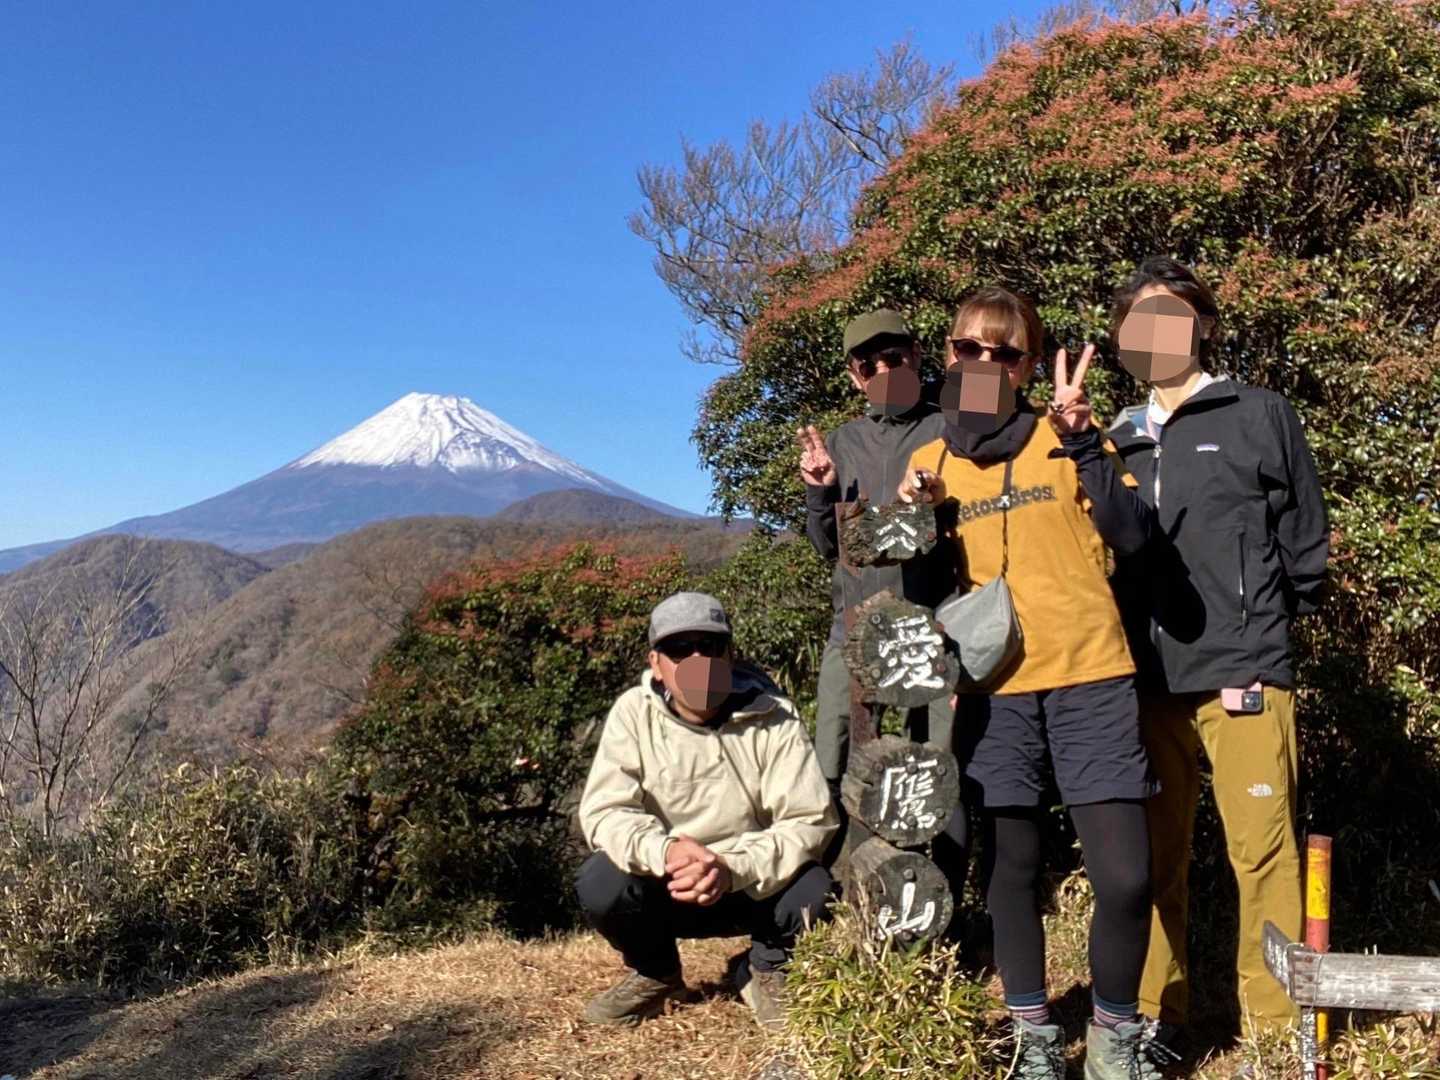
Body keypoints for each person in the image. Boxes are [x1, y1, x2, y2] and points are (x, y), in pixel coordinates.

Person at [899, 286, 1159, 1080]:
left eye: (1005, 352)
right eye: (969, 349)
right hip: (996, 692)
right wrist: (921, 521)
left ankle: (1114, 1040)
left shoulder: (1066, 433)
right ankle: (1035, 1040)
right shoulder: (930, 461)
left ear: (1027, 364)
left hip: (1092, 675)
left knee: (1125, 876)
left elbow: (1134, 537)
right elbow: (923, 592)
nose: (986, 363)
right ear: (949, 356)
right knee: (1011, 871)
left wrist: (1083, 445)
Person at [1105, 257, 1329, 1052]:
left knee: (1262, 852)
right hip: (1143, 679)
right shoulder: (1114, 438)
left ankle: (1273, 1031)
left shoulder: (1259, 413)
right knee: (1151, 859)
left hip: (1244, 669)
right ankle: (1157, 1019)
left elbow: (1305, 542)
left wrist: (1260, 628)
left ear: (1201, 324)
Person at [574, 591, 838, 1029]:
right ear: (656, 663)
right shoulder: (634, 714)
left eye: (710, 646)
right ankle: (657, 973)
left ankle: (765, 966)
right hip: (669, 884)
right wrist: (667, 852)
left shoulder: (774, 717)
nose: (698, 659)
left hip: (751, 884)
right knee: (601, 881)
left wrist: (729, 867)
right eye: (680, 648)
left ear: (729, 654)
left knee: (814, 887)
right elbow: (606, 811)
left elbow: (808, 820)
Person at [798, 308, 958, 854]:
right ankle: (837, 878)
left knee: (936, 762)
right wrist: (820, 492)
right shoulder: (842, 442)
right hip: (854, 626)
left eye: (894, 358)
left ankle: (936, 881)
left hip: (931, 626)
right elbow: (828, 546)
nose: (884, 372)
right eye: (869, 365)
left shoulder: (948, 430)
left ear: (916, 357)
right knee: (834, 754)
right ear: (854, 376)